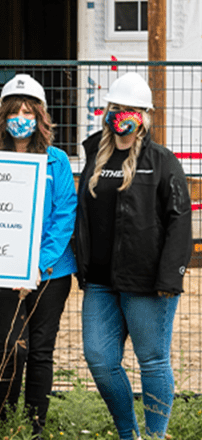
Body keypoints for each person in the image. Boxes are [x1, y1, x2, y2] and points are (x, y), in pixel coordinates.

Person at [0, 74, 77, 438]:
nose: (21, 117)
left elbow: (64, 215)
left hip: (50, 273)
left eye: (28, 111)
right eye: (14, 111)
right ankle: (3, 421)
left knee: (41, 350)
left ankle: (35, 426)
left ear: (40, 116)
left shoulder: (56, 162)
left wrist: (37, 267)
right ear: (2, 117)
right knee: (13, 347)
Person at [75, 72, 192, 440]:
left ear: (145, 116)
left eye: (133, 110)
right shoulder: (94, 154)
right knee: (99, 358)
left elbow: (179, 221)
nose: (124, 115)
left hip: (146, 283)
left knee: (153, 361)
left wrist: (170, 278)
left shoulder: (162, 162)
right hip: (100, 282)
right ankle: (129, 433)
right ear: (107, 111)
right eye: (118, 108)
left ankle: (155, 436)